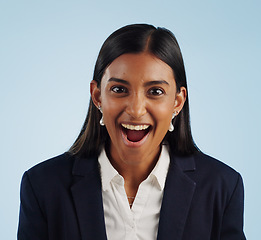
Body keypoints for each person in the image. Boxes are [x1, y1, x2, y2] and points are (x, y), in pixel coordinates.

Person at [18, 23, 246, 240]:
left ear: (177, 102)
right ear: (97, 96)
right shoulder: (43, 186)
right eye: (119, 89)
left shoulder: (221, 187)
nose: (136, 110)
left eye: (155, 91)